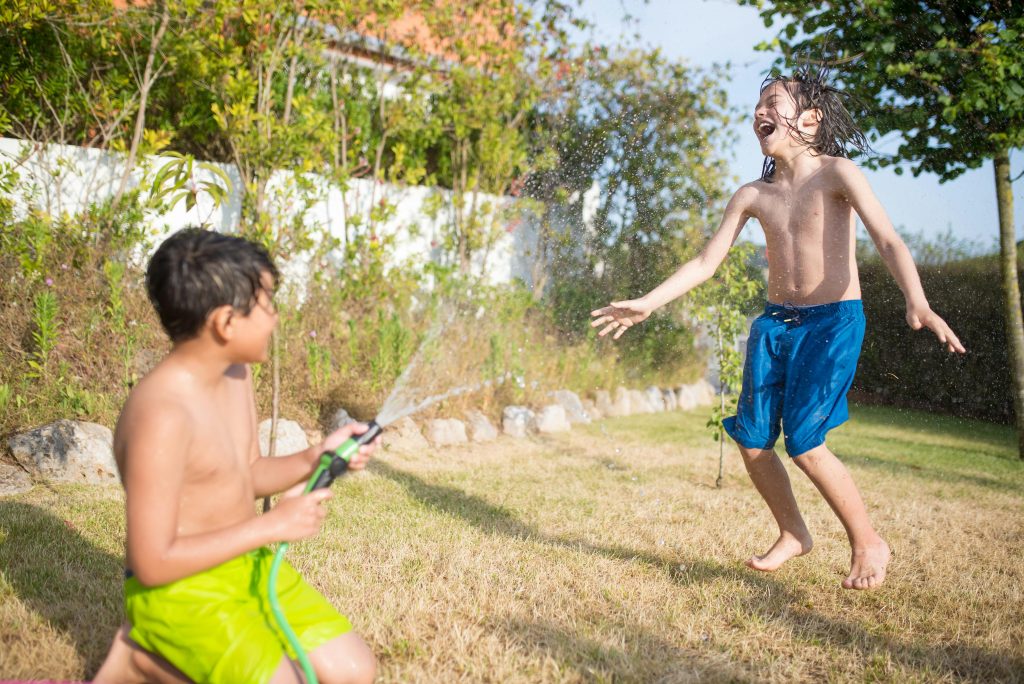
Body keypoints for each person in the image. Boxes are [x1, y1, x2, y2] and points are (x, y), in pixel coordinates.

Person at [590, 67, 965, 591]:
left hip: (833, 322)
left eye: (773, 101)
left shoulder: (839, 174)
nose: (760, 111)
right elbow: (705, 262)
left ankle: (867, 541)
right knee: (752, 440)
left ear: (809, 119)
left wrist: (917, 300)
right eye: (758, 104)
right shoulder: (752, 195)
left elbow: (889, 241)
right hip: (774, 324)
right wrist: (648, 304)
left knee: (806, 443)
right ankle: (794, 532)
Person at [93, 228, 379, 683]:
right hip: (178, 590)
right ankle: (142, 657)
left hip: (243, 565)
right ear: (226, 322)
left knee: (353, 671)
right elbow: (151, 561)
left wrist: (316, 456)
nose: (276, 318)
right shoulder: (162, 413)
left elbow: (247, 474)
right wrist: (272, 526)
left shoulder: (236, 373)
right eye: (268, 305)